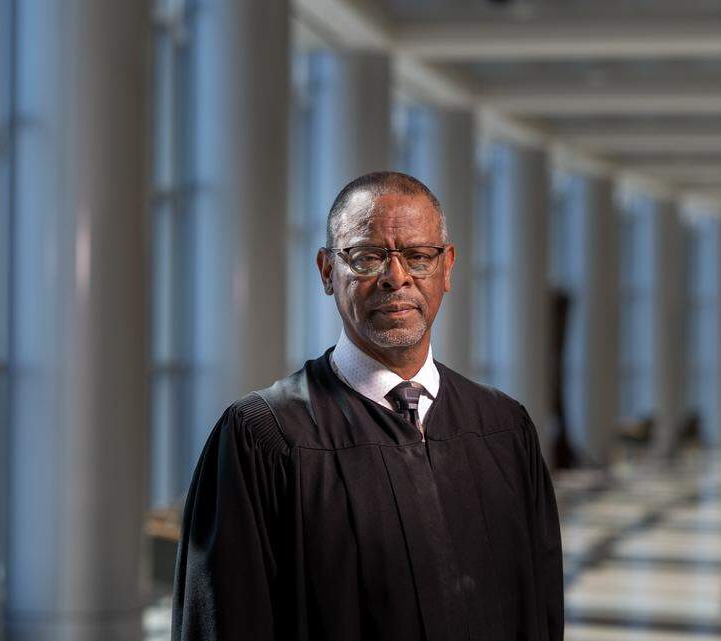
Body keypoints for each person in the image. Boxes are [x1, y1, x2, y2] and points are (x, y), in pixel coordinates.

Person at [171, 171, 564, 641]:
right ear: (326, 271)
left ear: (447, 269)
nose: (396, 278)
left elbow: (541, 612)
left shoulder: (503, 426)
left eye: (418, 256)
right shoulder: (263, 437)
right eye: (367, 257)